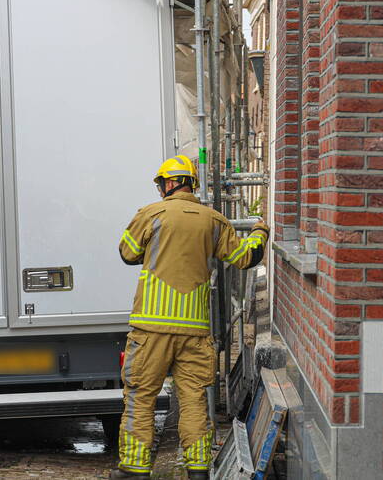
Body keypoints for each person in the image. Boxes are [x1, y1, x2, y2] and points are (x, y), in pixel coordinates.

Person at [110, 156, 269, 479]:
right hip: (195, 331)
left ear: (169, 184)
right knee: (194, 398)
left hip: (151, 329)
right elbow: (245, 258)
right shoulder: (214, 221)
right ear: (191, 183)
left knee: (141, 396)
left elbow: (127, 253)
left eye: (161, 184)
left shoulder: (150, 214)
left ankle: (135, 469)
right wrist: (259, 232)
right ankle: (198, 469)